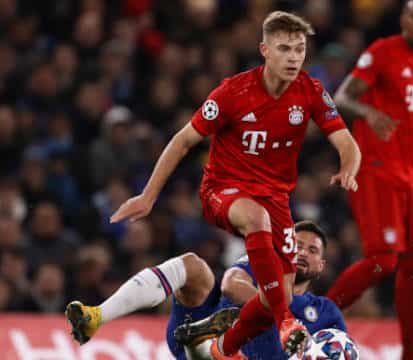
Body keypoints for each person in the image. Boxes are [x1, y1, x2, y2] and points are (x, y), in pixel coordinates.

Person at [69, 10, 361, 359]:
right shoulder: (233, 92)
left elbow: (347, 143)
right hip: (224, 189)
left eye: (299, 49)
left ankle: (223, 350)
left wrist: (348, 168)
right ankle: (98, 315)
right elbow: (182, 141)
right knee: (255, 228)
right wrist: (149, 195)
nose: (294, 57)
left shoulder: (310, 91)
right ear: (265, 50)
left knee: (271, 298)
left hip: (276, 199)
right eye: (285, 49)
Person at [325, 1, 413, 360]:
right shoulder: (383, 52)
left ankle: (410, 352)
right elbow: (342, 96)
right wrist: (368, 112)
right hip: (375, 169)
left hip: (408, 177)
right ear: (404, 20)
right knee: (383, 261)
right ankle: (312, 318)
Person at [65, 221, 345, 360]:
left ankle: (204, 347)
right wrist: (284, 316)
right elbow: (231, 285)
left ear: (321, 265)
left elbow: (341, 351)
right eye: (295, 245)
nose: (301, 253)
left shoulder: (326, 312)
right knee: (193, 266)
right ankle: (97, 315)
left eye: (311, 250)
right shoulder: (260, 265)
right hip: (210, 327)